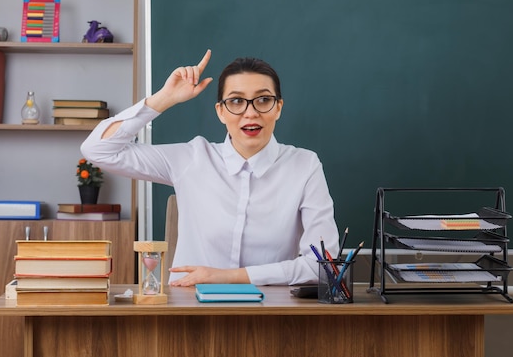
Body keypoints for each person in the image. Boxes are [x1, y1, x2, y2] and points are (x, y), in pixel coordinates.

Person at [81, 49, 339, 286]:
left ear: (278, 108)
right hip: (190, 309)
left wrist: (228, 277)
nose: (250, 113)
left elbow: (324, 266)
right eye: (236, 102)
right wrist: (163, 99)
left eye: (263, 100)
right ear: (220, 111)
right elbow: (97, 150)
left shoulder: (304, 166)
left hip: (269, 312)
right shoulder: (192, 158)